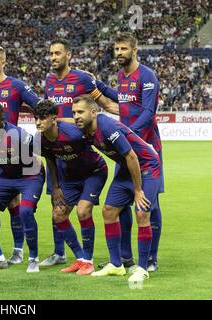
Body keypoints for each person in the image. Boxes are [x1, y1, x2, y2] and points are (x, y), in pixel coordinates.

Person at [72, 95, 162, 285]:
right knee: (109, 211)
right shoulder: (86, 130)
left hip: (146, 165)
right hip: (126, 167)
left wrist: (138, 190)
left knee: (141, 212)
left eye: (80, 112)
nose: (76, 116)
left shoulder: (107, 127)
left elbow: (131, 156)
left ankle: (143, 269)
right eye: (74, 113)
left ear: (94, 112)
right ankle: (116, 264)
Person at [41, 39, 117, 265]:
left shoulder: (82, 79)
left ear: (69, 56)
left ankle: (89, 257)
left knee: (82, 210)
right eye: (51, 54)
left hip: (78, 150)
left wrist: (130, 112)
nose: (53, 57)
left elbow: (104, 104)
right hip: (57, 151)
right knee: (57, 205)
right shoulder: (49, 81)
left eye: (57, 53)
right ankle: (59, 253)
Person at [95, 32, 163, 272]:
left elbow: (148, 112)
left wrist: (127, 132)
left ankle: (152, 258)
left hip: (146, 148)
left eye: (124, 49)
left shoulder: (147, 76)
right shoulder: (121, 76)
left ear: (135, 50)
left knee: (149, 204)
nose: (119, 53)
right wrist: (98, 87)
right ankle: (124, 258)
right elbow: (122, 100)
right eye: (116, 49)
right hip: (125, 151)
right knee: (120, 204)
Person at [0, 45, 41, 264]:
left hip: (12, 154)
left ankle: (17, 250)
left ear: (4, 62)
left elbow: (40, 106)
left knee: (14, 204)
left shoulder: (16, 86)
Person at [34, 100, 108, 275]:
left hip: (93, 172)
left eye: (42, 118)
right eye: (36, 118)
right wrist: (56, 186)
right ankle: (80, 258)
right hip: (70, 177)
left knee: (83, 211)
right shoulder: (40, 138)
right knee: (58, 215)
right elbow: (50, 160)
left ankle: (89, 262)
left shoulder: (74, 134)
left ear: (53, 119)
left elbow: (95, 137)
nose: (38, 122)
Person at [0, 102, 45, 273]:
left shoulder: (19, 135)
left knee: (25, 212)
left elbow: (37, 157)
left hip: (30, 176)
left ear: (2, 118)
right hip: (6, 178)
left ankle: (33, 258)